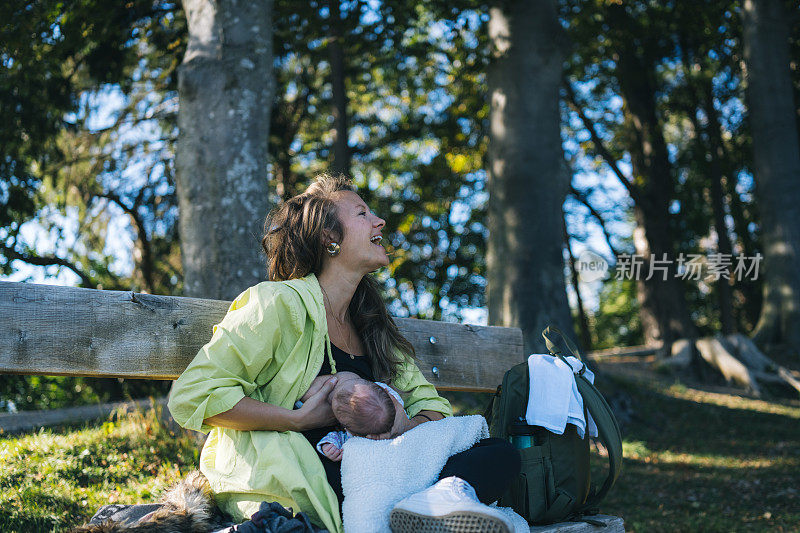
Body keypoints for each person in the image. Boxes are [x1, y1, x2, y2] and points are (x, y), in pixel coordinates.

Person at [167, 174, 521, 533]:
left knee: (501, 453)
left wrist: (399, 425)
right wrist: (298, 420)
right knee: (357, 478)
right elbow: (193, 396)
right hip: (301, 465)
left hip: (382, 464)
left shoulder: (374, 326)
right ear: (329, 237)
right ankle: (423, 506)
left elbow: (434, 409)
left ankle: (424, 505)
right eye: (362, 213)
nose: (379, 221)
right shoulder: (276, 304)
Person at [312, 371, 405, 461]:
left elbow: (337, 437)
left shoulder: (354, 437)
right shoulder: (388, 397)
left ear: (347, 429)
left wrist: (329, 445)